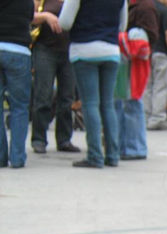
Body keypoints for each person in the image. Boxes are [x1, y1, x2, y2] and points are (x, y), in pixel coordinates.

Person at [59, 0, 128, 168]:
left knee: (90, 104)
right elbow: (123, 26)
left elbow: (65, 22)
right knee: (108, 105)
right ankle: (112, 155)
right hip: (111, 51)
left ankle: (95, 155)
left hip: (84, 50)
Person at [31, 0, 81, 156]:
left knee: (67, 97)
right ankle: (39, 139)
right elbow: (29, 16)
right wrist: (46, 16)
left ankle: (64, 139)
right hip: (45, 50)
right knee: (43, 95)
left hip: (69, 50)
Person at [114, 0, 158, 161]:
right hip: (131, 63)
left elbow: (148, 38)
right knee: (127, 103)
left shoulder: (144, 7)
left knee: (131, 103)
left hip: (133, 64)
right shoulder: (138, 6)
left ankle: (134, 147)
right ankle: (128, 146)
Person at [0, 0, 34, 168]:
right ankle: (17, 157)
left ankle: (0, 156)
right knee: (19, 106)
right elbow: (30, 18)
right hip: (19, 51)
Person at [144, 0, 167, 131]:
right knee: (161, 86)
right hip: (162, 52)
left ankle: (145, 116)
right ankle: (156, 118)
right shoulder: (164, 11)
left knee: (147, 86)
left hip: (146, 52)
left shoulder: (147, 8)